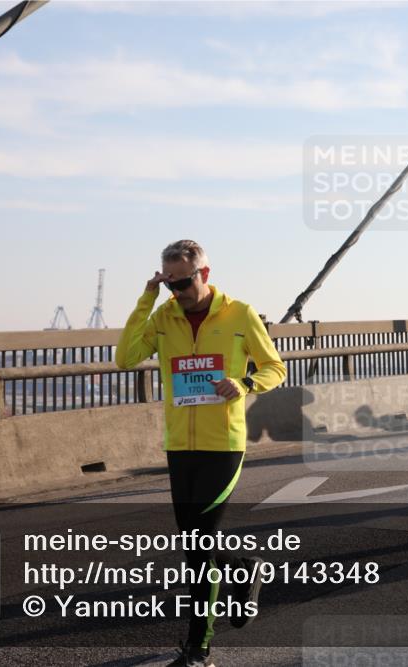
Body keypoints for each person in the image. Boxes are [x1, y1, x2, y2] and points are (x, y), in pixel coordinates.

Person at [116, 240, 287, 667]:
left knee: (197, 547)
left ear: (205, 274)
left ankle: (199, 649)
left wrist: (245, 383)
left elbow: (275, 367)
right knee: (194, 541)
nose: (179, 291)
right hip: (180, 444)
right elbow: (125, 358)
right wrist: (147, 297)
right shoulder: (164, 315)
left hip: (222, 444)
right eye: (170, 283)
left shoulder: (239, 314)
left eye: (184, 282)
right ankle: (243, 568)